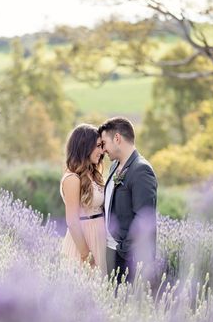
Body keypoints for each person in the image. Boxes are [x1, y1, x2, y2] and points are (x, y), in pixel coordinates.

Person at [99, 117, 157, 283]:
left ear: (117, 138)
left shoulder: (141, 170)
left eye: (104, 143)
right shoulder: (113, 166)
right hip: (109, 252)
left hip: (128, 258)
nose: (103, 150)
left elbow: (144, 218)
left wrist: (123, 250)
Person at [60, 124, 107, 275]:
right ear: (85, 146)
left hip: (99, 238)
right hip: (84, 243)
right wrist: (86, 256)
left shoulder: (93, 175)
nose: (102, 151)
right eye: (98, 146)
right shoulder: (72, 178)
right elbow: (72, 222)